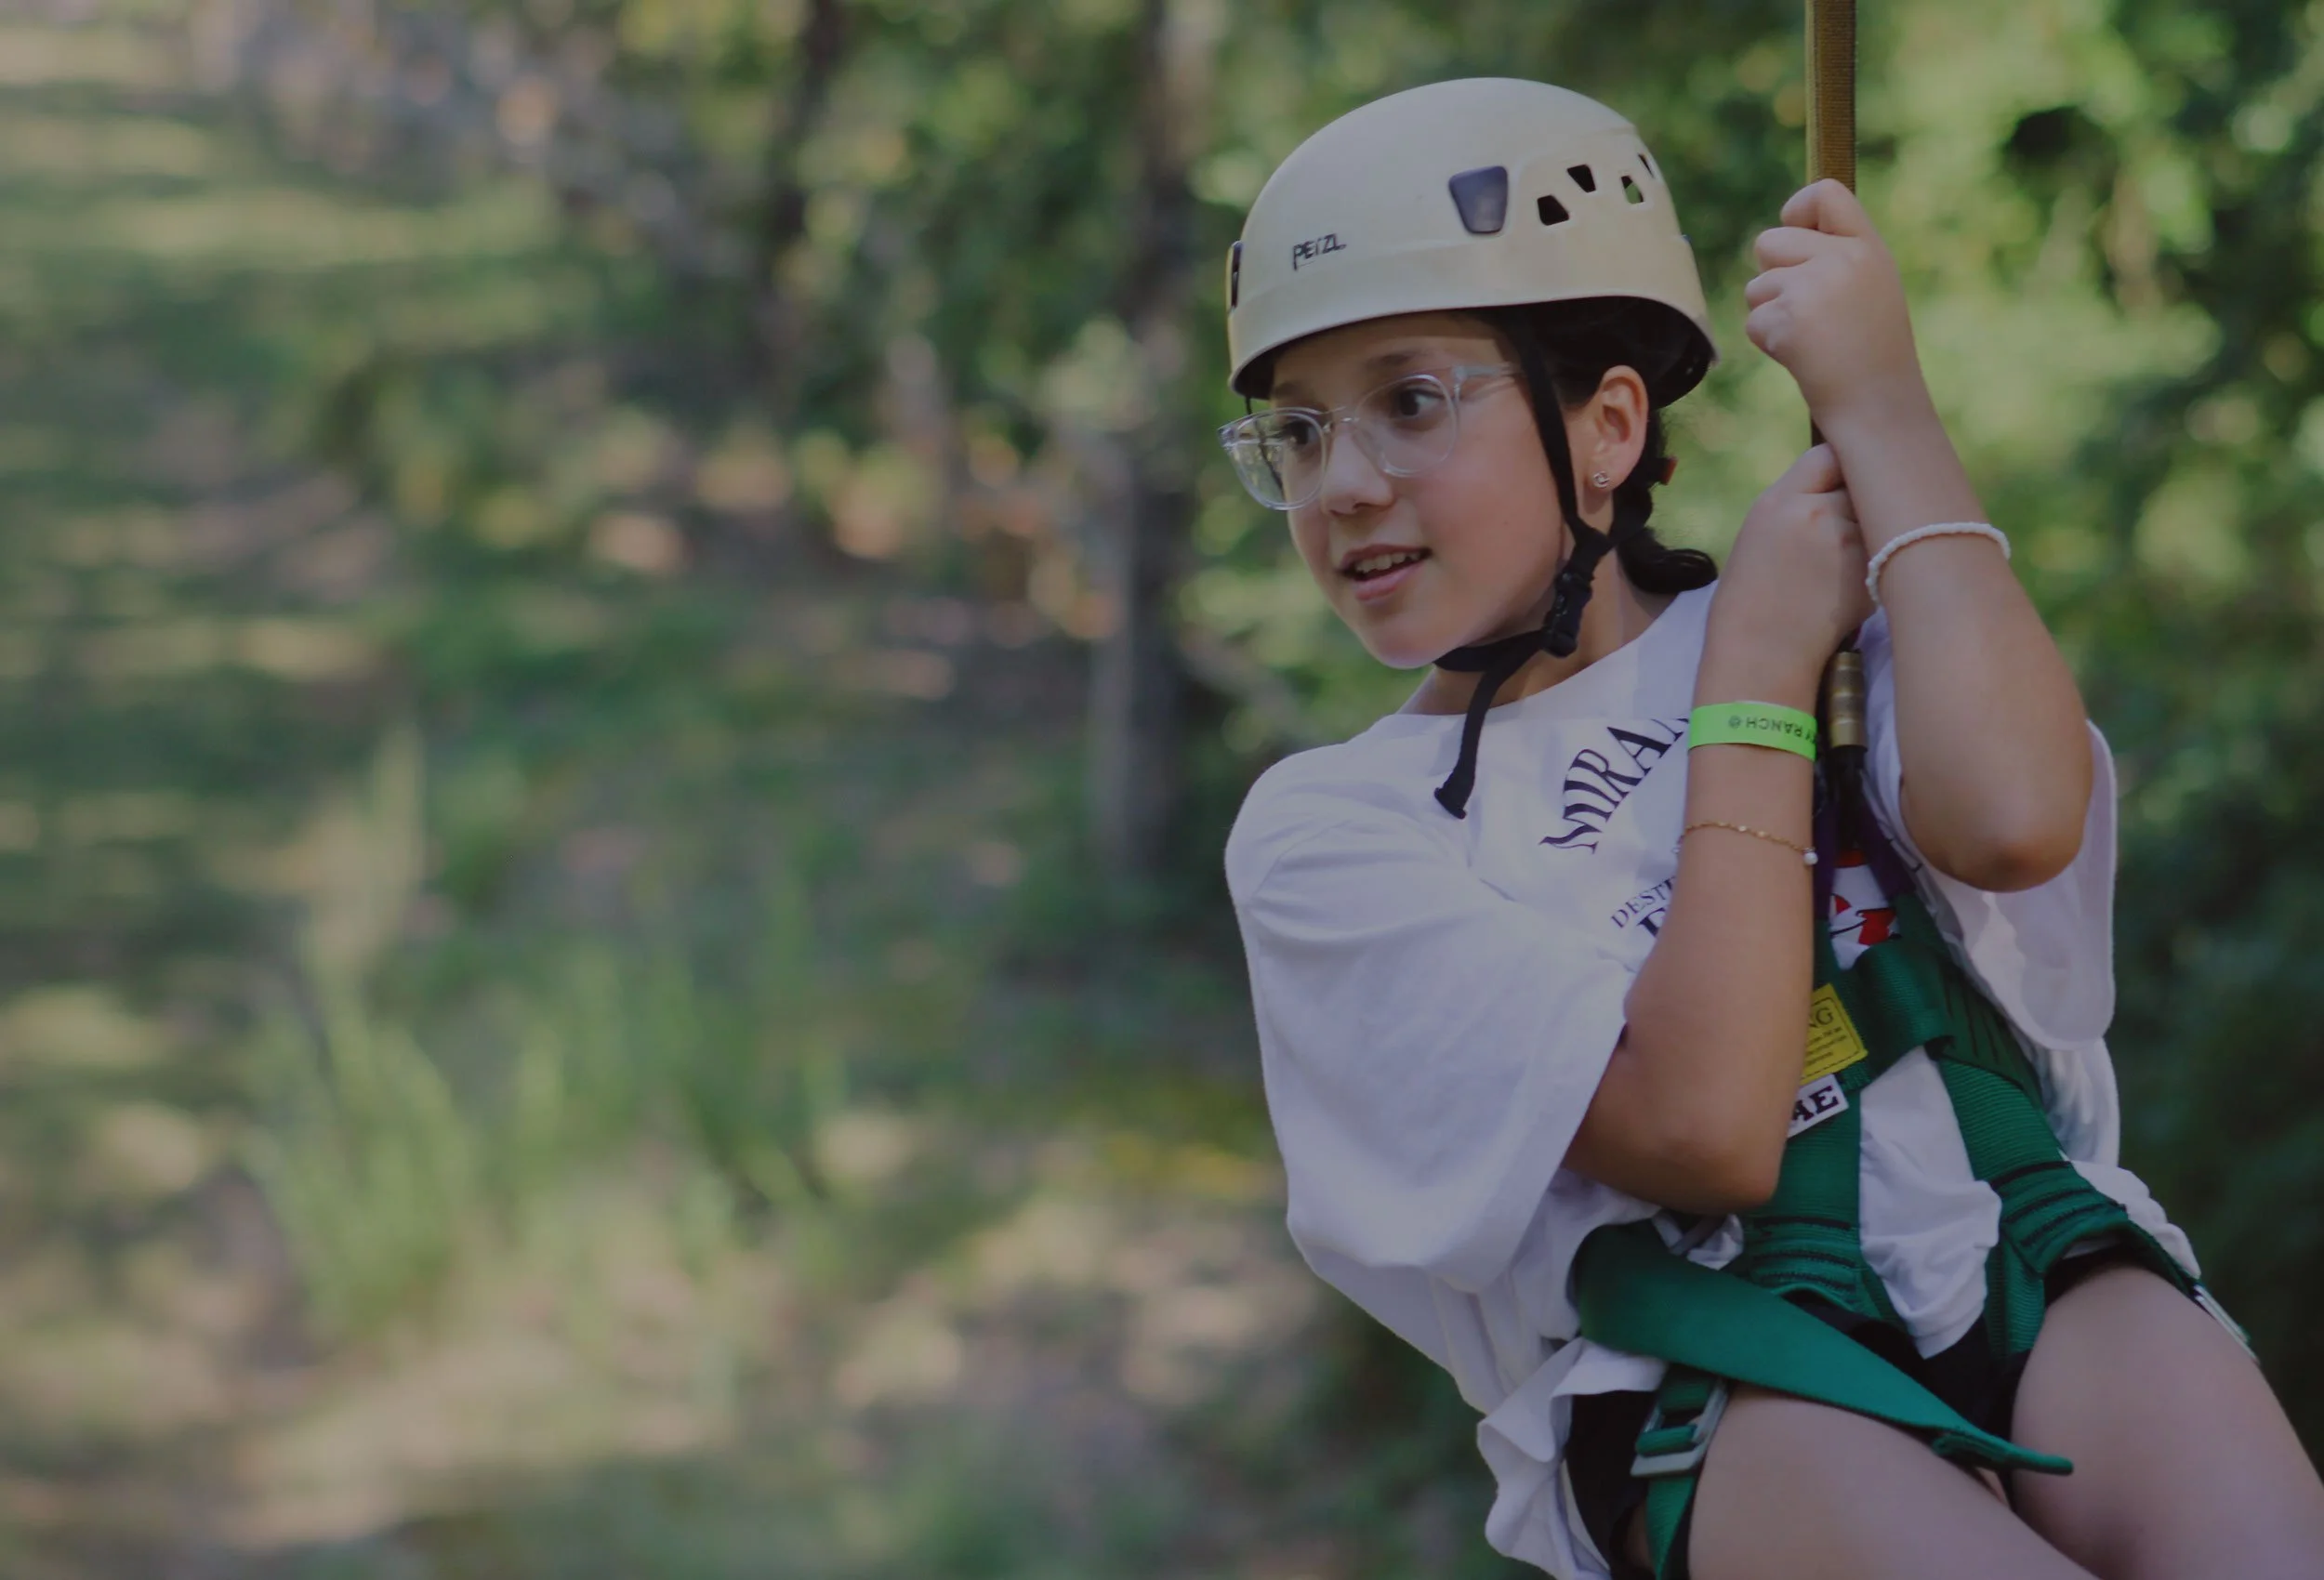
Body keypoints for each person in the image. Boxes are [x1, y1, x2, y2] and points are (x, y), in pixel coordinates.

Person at [1217, 77, 2324, 1580]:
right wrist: (1752, 690)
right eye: (1294, 432)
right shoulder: (1335, 834)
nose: (1341, 483)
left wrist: (1885, 409)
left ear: (1607, 426)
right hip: (1720, 1382)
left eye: (1411, 401)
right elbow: (1705, 1129)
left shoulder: (1830, 609)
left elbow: (2013, 824)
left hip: (2026, 1239)